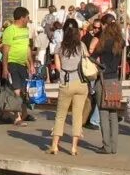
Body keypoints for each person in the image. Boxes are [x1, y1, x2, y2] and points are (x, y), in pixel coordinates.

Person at [49, 19, 89, 155]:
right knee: (77, 116)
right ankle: (74, 148)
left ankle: (54, 146)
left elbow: (58, 68)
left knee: (60, 115)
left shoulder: (60, 47)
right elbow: (87, 62)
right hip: (81, 83)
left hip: (66, 83)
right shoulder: (81, 46)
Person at [89, 15, 125, 154]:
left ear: (105, 26)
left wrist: (98, 64)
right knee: (113, 113)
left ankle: (106, 146)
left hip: (103, 79)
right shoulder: (119, 42)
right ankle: (114, 147)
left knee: (103, 112)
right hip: (115, 79)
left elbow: (93, 57)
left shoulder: (105, 42)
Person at [0, 7, 34, 127]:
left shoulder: (25, 30)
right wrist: (5, 68)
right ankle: (18, 117)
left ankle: (19, 113)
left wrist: (31, 64)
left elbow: (27, 48)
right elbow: (5, 51)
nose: (28, 19)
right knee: (16, 90)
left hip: (22, 63)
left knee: (22, 90)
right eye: (27, 17)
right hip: (12, 63)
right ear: (22, 18)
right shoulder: (10, 30)